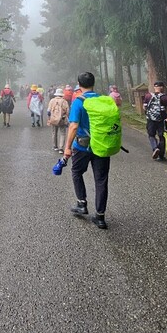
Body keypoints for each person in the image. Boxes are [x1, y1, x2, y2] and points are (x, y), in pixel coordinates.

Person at [63, 72, 113, 229]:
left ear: (79, 84)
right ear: (94, 83)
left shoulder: (78, 102)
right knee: (101, 180)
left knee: (77, 172)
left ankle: (82, 203)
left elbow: (73, 126)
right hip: (101, 145)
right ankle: (100, 217)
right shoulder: (103, 100)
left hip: (82, 146)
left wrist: (67, 148)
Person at [143, 81, 167, 161]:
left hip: (150, 119)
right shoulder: (165, 97)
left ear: (154, 87)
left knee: (151, 135)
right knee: (162, 136)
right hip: (162, 120)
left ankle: (155, 148)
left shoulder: (148, 95)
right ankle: (161, 155)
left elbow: (144, 107)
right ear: (162, 87)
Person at [47, 88, 70, 153]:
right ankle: (61, 148)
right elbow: (67, 111)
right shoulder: (64, 101)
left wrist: (49, 118)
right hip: (62, 119)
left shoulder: (52, 101)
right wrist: (66, 118)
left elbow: (48, 111)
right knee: (62, 133)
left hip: (53, 119)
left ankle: (55, 146)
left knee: (54, 132)